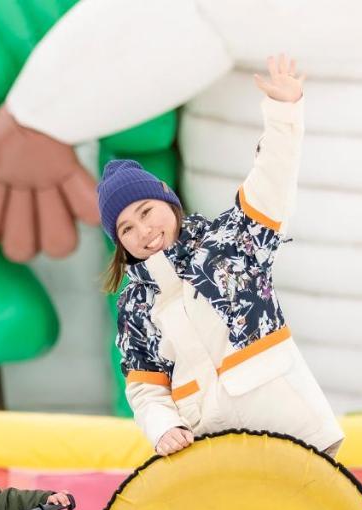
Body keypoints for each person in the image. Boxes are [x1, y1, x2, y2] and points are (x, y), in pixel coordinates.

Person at [99, 55, 344, 458]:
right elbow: (145, 387)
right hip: (215, 450)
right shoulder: (135, 304)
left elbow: (273, 179)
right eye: (126, 228)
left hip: (294, 431)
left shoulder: (231, 242)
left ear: (167, 199)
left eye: (146, 212)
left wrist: (285, 112)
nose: (143, 231)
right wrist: (164, 427)